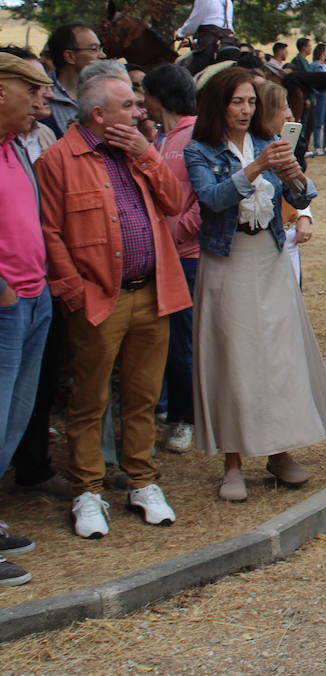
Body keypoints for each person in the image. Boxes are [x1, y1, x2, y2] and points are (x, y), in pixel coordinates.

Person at [37, 61, 191, 538]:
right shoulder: (58, 160)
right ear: (99, 114)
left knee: (143, 397)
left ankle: (142, 482)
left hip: (153, 293)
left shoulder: (138, 150)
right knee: (90, 399)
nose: (139, 110)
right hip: (98, 301)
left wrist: (147, 152)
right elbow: (50, 233)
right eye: (129, 105)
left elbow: (173, 202)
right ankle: (89, 491)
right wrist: (73, 293)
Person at [184, 68, 326, 502]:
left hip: (270, 257)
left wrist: (294, 174)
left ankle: (280, 451)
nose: (245, 109)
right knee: (234, 359)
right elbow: (213, 199)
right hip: (227, 260)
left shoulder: (269, 144)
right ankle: (233, 462)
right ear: (219, 104)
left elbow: (299, 199)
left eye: (251, 102)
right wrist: (257, 167)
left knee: (277, 356)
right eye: (237, 101)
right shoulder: (199, 150)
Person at [0, 52, 54, 585]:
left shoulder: (17, 147)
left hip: (34, 299)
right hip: (7, 305)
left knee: (13, 419)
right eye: (30, 91)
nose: (41, 102)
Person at [140, 65, 201, 454]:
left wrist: (176, 233)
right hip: (161, 256)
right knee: (160, 338)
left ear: (159, 95)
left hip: (186, 256)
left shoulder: (196, 135)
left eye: (144, 92)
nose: (140, 100)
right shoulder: (161, 137)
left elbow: (203, 200)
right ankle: (164, 408)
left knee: (182, 342)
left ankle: (185, 418)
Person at [254, 81, 315, 282]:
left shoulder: (286, 143)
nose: (290, 114)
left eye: (288, 106)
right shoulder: (248, 151)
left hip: (287, 236)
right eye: (283, 107)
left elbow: (297, 194)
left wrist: (304, 216)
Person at [41, 24, 102, 136]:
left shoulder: (104, 91)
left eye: (100, 49)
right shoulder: (42, 95)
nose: (102, 55)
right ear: (70, 56)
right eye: (94, 49)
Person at [174, 0, 235, 73]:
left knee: (181, 72)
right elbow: (221, 26)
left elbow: (192, 24)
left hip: (208, 48)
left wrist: (179, 34)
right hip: (227, 43)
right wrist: (195, 42)